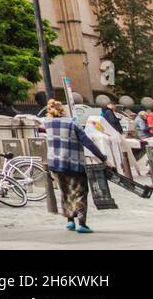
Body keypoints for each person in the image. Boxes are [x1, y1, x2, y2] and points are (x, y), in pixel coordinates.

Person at [42, 99, 108, 233]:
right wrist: (102, 157)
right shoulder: (72, 123)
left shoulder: (47, 123)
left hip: (56, 164)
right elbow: (86, 142)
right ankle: (82, 224)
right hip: (74, 163)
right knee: (80, 193)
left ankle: (70, 221)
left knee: (66, 192)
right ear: (62, 110)